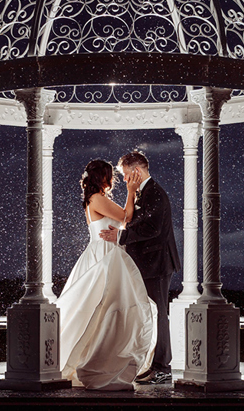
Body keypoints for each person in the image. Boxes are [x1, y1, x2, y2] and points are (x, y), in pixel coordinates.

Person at [56, 159, 156, 390]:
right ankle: (100, 363)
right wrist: (131, 192)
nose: (113, 179)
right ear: (104, 177)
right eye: (110, 175)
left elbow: (122, 221)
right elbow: (125, 217)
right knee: (106, 307)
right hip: (104, 256)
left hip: (108, 252)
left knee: (111, 308)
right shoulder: (97, 199)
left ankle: (110, 359)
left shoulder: (97, 198)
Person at [99, 151, 180, 385]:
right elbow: (136, 220)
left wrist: (120, 236)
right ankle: (152, 364)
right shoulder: (143, 192)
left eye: (125, 175)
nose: (124, 179)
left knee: (160, 315)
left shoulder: (155, 193)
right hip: (147, 263)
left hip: (157, 264)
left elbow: (152, 229)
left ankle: (163, 368)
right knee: (150, 314)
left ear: (137, 171)